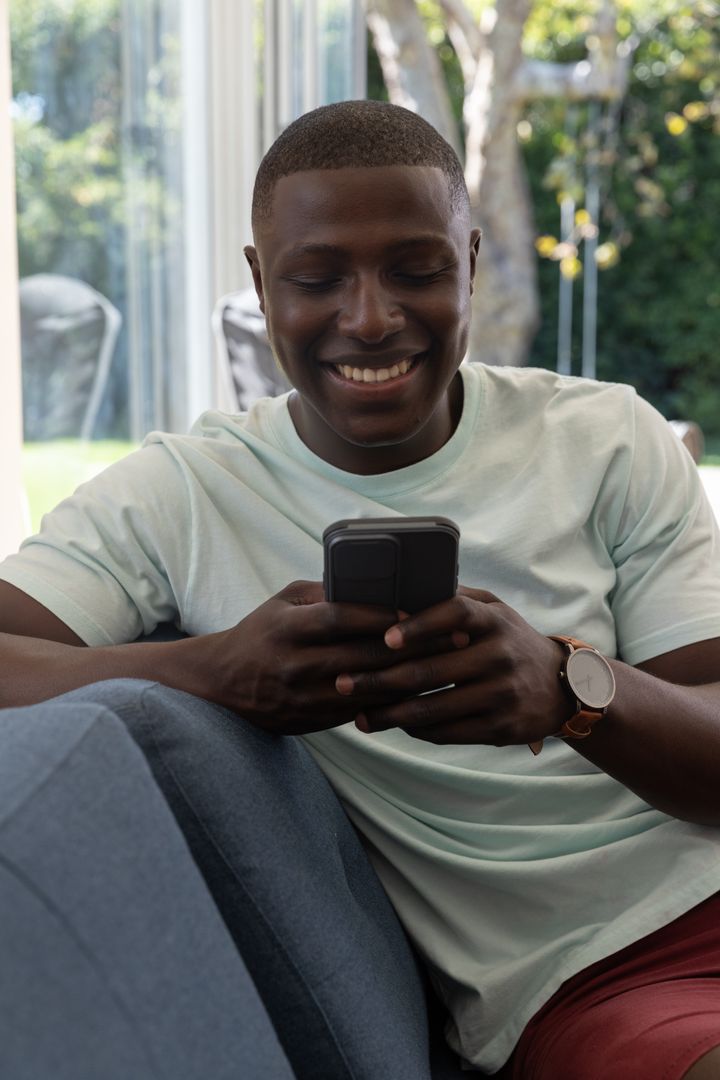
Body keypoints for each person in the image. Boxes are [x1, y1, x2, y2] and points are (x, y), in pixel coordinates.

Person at [2, 99, 720, 1078]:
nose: (372, 318)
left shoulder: (606, 439)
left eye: (418, 271)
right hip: (599, 978)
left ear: (470, 262)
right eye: (316, 279)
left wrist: (568, 689)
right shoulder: (183, 492)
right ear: (261, 283)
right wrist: (208, 672)